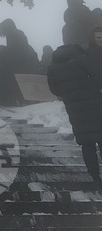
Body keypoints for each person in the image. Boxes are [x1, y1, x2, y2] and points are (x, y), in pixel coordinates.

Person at [47, 43, 102, 187]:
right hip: (94, 104)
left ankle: (95, 178)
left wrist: (68, 93)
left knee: (86, 143)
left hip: (74, 108)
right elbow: (98, 77)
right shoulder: (82, 58)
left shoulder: (53, 66)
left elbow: (54, 89)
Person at [0, 18, 39, 106]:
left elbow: (14, 52)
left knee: (19, 84)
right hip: (25, 63)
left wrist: (3, 50)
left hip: (20, 65)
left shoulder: (12, 35)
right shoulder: (16, 33)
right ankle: (26, 100)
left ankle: (23, 101)